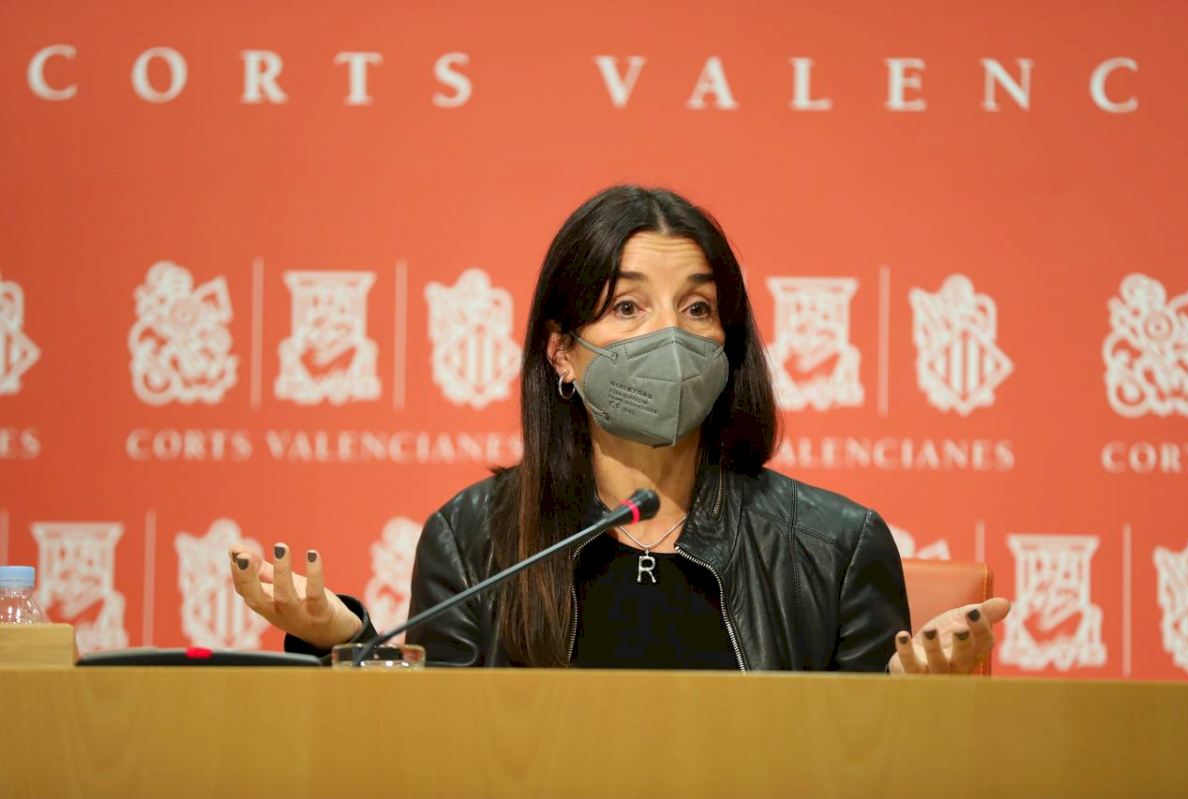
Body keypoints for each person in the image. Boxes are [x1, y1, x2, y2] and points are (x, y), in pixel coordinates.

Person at [229, 185, 1010, 673]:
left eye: (697, 308)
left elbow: (870, 762)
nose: (669, 335)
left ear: (728, 343)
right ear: (562, 352)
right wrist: (343, 637)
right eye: (628, 307)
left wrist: (906, 703)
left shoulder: (835, 547)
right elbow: (438, 750)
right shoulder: (477, 543)